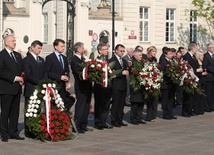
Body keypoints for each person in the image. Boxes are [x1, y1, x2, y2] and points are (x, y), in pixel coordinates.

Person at [0, 35, 25, 142]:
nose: (14, 42)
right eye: (12, 41)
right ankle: (4, 133)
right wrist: (15, 78)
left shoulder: (17, 55)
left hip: (17, 88)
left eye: (15, 40)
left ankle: (13, 132)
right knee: (5, 112)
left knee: (15, 111)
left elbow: (22, 70)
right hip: (6, 88)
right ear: (6, 42)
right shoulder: (2, 55)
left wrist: (22, 78)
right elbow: (1, 71)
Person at [23, 40, 46, 137]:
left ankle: (36, 127)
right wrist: (38, 82)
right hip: (31, 88)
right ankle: (28, 130)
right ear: (32, 48)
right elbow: (27, 75)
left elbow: (45, 72)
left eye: (41, 48)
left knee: (38, 109)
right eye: (38, 48)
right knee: (29, 110)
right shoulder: (26, 60)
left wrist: (44, 82)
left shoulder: (41, 59)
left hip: (39, 88)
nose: (40, 50)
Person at [45, 39, 73, 112]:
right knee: (54, 107)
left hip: (63, 87)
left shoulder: (64, 58)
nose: (63, 48)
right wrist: (59, 77)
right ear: (56, 47)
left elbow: (67, 71)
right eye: (61, 46)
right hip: (54, 85)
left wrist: (67, 81)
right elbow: (47, 72)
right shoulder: (50, 58)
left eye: (64, 46)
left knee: (63, 105)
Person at [70, 42, 93, 133]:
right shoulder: (75, 60)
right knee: (81, 105)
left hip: (87, 85)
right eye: (82, 48)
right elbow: (77, 72)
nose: (84, 49)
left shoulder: (83, 59)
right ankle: (77, 125)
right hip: (81, 85)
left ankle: (83, 124)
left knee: (87, 105)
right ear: (78, 49)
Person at [108, 44, 129, 127]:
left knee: (121, 104)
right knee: (116, 103)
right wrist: (121, 73)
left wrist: (128, 69)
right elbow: (111, 73)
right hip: (116, 85)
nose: (122, 52)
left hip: (123, 85)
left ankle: (120, 119)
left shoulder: (124, 61)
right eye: (121, 51)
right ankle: (114, 120)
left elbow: (126, 69)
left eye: (123, 51)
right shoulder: (112, 60)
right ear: (116, 51)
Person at [93, 43, 113, 130]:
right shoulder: (97, 60)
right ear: (100, 50)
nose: (107, 51)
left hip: (107, 86)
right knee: (99, 105)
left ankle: (104, 121)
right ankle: (98, 122)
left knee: (106, 104)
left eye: (107, 49)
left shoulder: (106, 60)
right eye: (105, 49)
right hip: (99, 86)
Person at [183, 42, 203, 116]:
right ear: (193, 48)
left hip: (194, 77)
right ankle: (185, 111)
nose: (197, 49)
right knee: (187, 95)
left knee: (191, 96)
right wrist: (196, 70)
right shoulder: (186, 56)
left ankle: (190, 109)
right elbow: (186, 67)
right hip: (188, 78)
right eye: (196, 48)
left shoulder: (193, 56)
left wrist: (199, 69)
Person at [159, 48, 177, 120]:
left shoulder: (172, 61)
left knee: (171, 99)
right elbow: (163, 70)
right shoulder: (163, 61)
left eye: (172, 53)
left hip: (172, 83)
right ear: (165, 54)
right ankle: (165, 114)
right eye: (169, 54)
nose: (171, 55)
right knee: (165, 99)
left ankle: (170, 113)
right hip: (166, 83)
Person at [129, 49, 146, 125]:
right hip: (135, 85)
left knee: (141, 103)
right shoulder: (132, 62)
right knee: (135, 103)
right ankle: (133, 118)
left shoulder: (142, 62)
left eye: (141, 55)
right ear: (135, 55)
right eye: (139, 55)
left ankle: (139, 117)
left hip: (142, 86)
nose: (141, 57)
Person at [146, 46, 158, 122]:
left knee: (155, 99)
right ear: (149, 52)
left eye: (155, 51)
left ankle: (153, 115)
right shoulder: (147, 59)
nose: (154, 53)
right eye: (153, 51)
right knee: (150, 99)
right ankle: (149, 116)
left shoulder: (155, 59)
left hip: (155, 80)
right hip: (149, 80)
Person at [202, 43, 214, 112]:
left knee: (212, 93)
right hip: (209, 77)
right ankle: (207, 107)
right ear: (209, 48)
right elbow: (205, 66)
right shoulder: (206, 56)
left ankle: (212, 106)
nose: (213, 48)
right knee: (208, 93)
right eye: (213, 47)